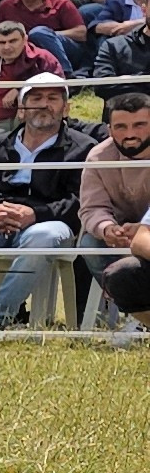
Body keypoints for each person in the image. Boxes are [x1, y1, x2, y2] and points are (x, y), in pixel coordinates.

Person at [0, 72, 87, 329]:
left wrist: (36, 214)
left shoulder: (83, 149)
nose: (44, 104)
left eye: (53, 98)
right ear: (21, 110)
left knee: (42, 236)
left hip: (50, 222)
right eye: (36, 98)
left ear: (66, 109)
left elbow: (81, 200)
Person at [82, 91, 150, 315]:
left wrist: (142, 230)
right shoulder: (98, 157)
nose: (130, 134)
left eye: (139, 125)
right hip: (120, 233)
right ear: (109, 129)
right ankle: (129, 311)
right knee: (90, 244)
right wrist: (107, 228)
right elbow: (92, 207)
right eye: (120, 127)